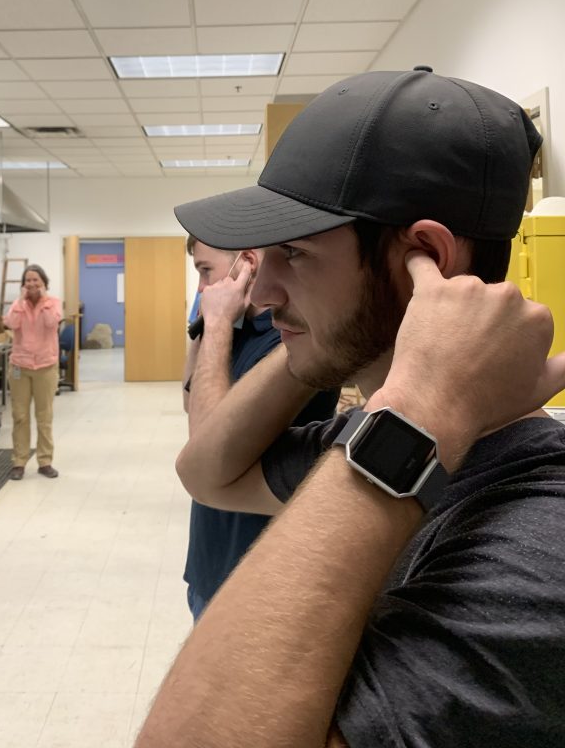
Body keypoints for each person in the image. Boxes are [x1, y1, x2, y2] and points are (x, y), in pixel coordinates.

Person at [135, 67, 565, 747]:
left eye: (295, 255)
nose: (259, 293)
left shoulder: (543, 538)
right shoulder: (373, 437)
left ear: (423, 256)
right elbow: (208, 473)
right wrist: (340, 349)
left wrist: (422, 402)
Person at [182, 236, 337, 621]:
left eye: (205, 271)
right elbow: (190, 404)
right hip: (209, 561)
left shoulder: (289, 343)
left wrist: (216, 323)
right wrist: (201, 327)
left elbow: (206, 448)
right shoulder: (233, 333)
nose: (202, 288)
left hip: (252, 576)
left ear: (247, 264)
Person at [3, 264, 62, 481]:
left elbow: (51, 323)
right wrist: (20, 301)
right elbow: (11, 323)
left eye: (36, 280)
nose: (32, 284)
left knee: (44, 416)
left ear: (44, 283)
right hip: (20, 366)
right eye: (28, 280)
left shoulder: (53, 303)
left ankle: (45, 461)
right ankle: (19, 461)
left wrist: (44, 301)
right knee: (19, 416)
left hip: (45, 366)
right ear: (23, 284)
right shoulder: (17, 305)